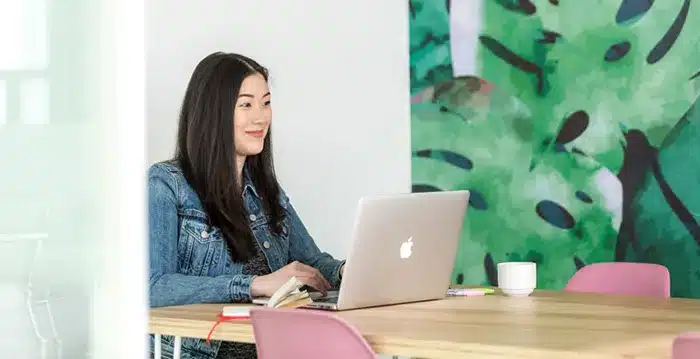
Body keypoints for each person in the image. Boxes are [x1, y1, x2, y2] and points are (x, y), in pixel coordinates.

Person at [148, 52, 345, 359]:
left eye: (266, 102)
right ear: (213, 112)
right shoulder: (166, 184)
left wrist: (348, 273)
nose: (260, 117)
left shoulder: (265, 191)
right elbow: (154, 287)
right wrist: (253, 285)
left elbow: (312, 265)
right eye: (246, 104)